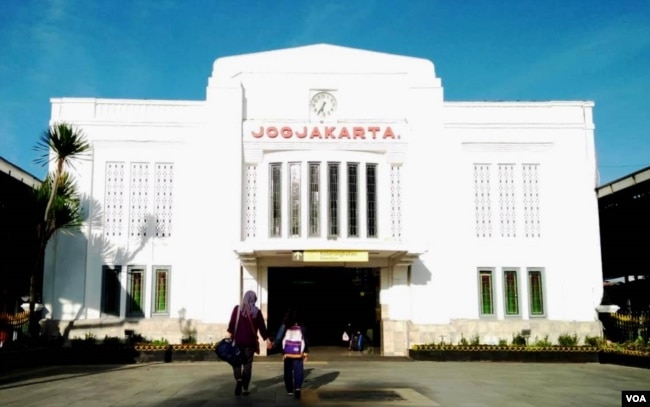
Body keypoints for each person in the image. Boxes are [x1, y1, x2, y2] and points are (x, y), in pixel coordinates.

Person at [227, 290, 272, 396]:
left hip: (237, 342)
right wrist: (267, 340)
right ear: (254, 299)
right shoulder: (257, 312)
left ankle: (238, 379)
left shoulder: (237, 309)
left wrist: (230, 336)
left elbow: (232, 325)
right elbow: (262, 328)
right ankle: (245, 388)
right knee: (247, 365)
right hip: (250, 343)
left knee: (236, 362)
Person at [281, 310, 309, 400]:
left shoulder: (285, 326)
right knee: (298, 370)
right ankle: (297, 388)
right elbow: (306, 340)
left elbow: (280, 336)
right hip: (298, 353)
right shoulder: (301, 327)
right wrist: (305, 352)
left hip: (288, 353)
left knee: (288, 371)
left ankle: (289, 390)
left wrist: (279, 348)